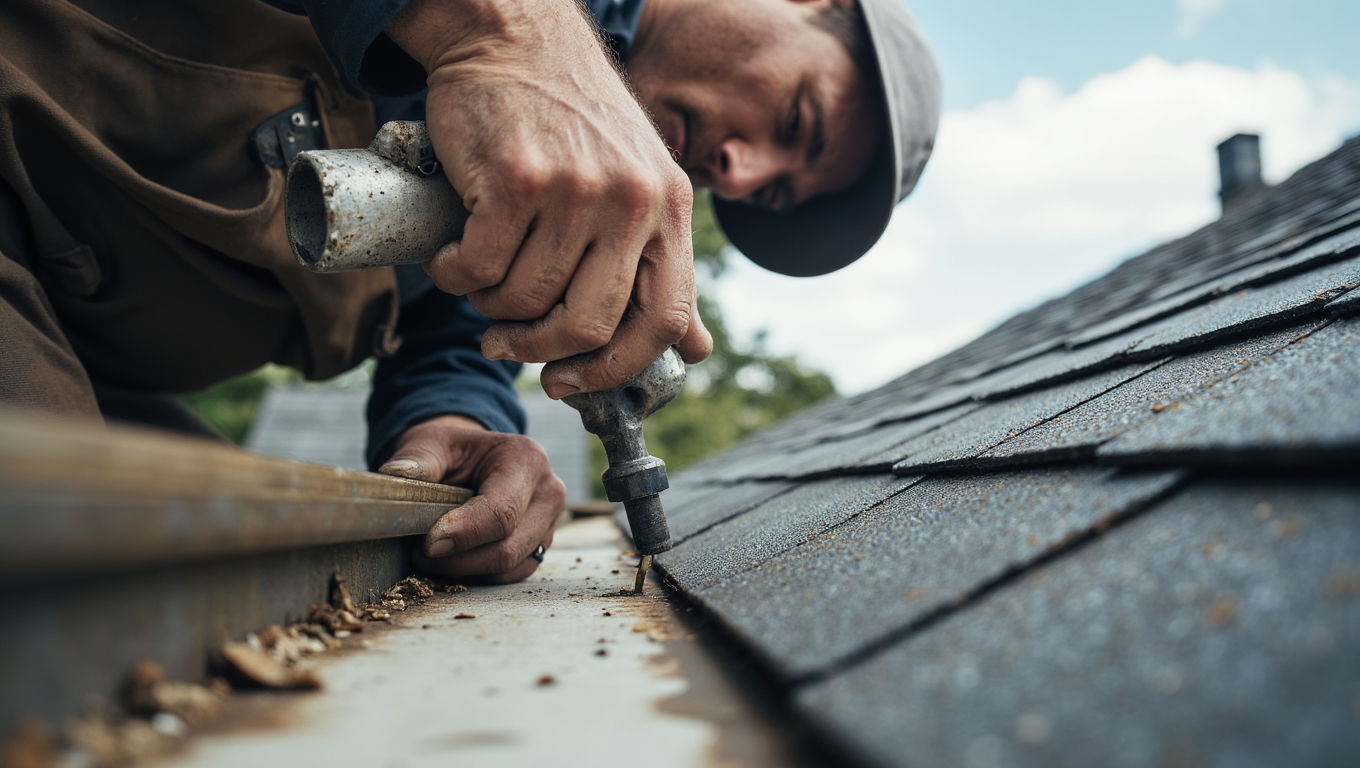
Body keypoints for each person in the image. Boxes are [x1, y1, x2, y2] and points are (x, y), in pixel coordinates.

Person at [0, 0, 938, 582]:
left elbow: (445, 334)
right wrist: (502, 32)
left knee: (191, 581)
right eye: (796, 119)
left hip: (65, 342)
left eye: (768, 193)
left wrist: (451, 423)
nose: (738, 171)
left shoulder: (536, 208)